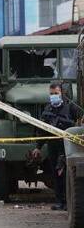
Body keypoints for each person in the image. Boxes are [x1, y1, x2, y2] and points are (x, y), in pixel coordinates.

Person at [32, 82, 82, 211]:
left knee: (66, 173)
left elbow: (80, 121)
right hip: (53, 146)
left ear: (62, 93)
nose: (53, 96)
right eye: (51, 94)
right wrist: (38, 147)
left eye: (56, 93)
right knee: (56, 174)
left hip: (68, 146)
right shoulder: (48, 109)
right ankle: (60, 201)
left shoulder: (71, 107)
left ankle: (68, 202)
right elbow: (42, 130)